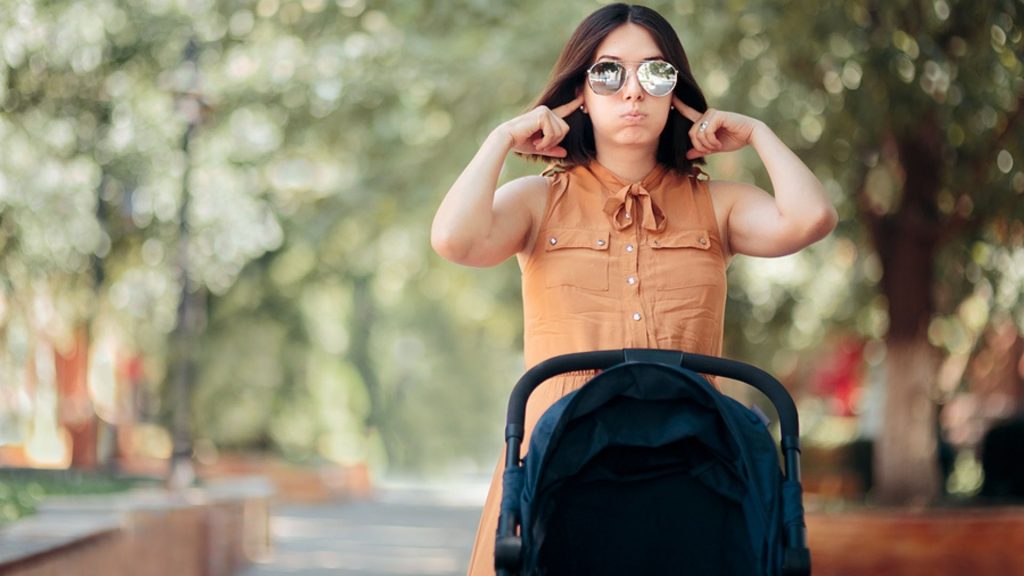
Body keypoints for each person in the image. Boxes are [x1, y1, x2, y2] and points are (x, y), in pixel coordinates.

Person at [430, 4, 837, 574]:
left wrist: (757, 133)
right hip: (555, 469)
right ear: (581, 93)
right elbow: (454, 239)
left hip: (690, 475)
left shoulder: (717, 204)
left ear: (675, 91)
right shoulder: (537, 200)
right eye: (608, 73)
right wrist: (502, 137)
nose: (632, 92)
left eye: (655, 73)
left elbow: (810, 218)